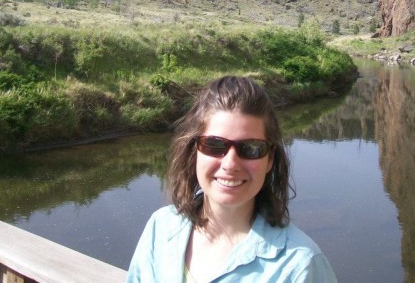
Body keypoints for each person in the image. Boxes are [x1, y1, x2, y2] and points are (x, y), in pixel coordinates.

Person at [126, 76, 337, 282]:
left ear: (270, 159)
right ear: (195, 151)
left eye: (251, 148)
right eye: (215, 145)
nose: (230, 164)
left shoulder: (300, 265)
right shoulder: (161, 228)